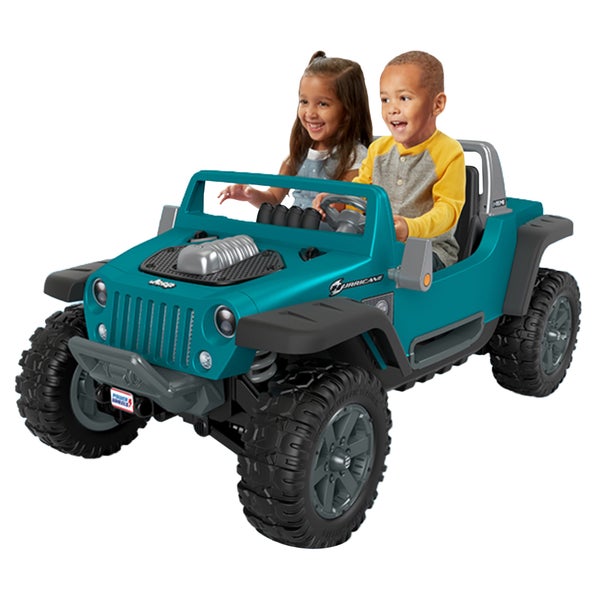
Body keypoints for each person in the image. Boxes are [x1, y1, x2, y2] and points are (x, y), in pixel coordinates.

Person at [315, 50, 465, 269]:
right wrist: (337, 200)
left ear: (437, 104)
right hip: (378, 243)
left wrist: (410, 228)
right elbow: (361, 192)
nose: (392, 109)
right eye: (385, 99)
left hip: (428, 249)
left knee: (388, 267)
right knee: (321, 252)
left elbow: (448, 211)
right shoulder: (378, 150)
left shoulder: (449, 152)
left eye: (404, 98)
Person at [219, 51, 372, 209]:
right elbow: (273, 197)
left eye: (323, 104)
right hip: (296, 223)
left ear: (348, 111)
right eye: (304, 101)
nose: (310, 113)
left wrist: (332, 203)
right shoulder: (299, 153)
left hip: (328, 225)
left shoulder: (355, 157)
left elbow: (347, 204)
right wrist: (250, 194)